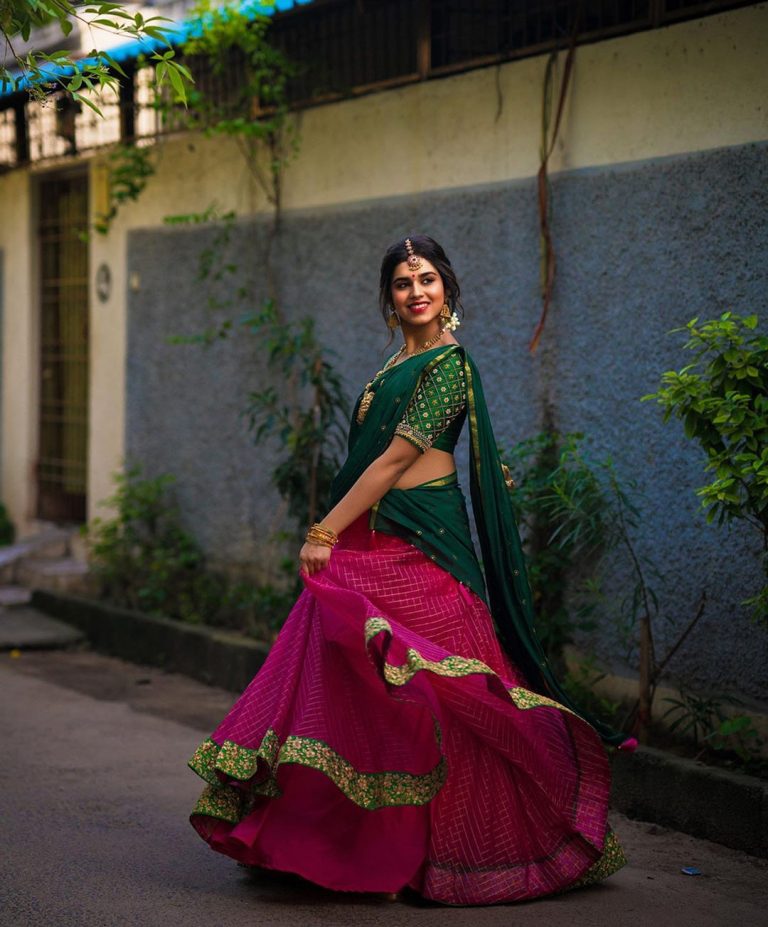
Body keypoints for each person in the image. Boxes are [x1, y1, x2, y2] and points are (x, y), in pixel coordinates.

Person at [187, 234, 636, 906]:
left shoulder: (448, 366)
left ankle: (470, 847)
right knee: (353, 666)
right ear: (389, 298)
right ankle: (342, 838)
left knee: (451, 691)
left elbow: (396, 461)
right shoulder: (396, 363)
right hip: (379, 536)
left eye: (427, 278)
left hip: (424, 546)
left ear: (447, 288)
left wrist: (324, 528)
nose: (417, 291)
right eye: (403, 282)